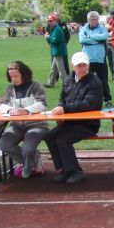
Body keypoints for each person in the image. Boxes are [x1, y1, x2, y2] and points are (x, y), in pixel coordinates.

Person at [43, 52, 103, 184]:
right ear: (72, 66)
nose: (82, 68)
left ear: (88, 65)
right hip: (69, 122)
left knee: (63, 139)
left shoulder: (95, 82)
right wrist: (60, 110)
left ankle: (76, 171)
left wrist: (65, 109)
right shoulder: (68, 79)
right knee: (49, 136)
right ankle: (65, 169)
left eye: (84, 65)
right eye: (79, 65)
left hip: (88, 124)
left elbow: (89, 104)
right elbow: (62, 98)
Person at [0, 61, 49, 179]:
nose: (13, 79)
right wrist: (10, 110)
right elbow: (1, 105)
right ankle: (31, 162)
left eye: (16, 76)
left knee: (28, 149)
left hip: (37, 125)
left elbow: (42, 104)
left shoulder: (36, 86)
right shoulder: (10, 89)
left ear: (24, 74)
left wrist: (26, 110)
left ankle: (29, 161)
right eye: (11, 76)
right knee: (3, 144)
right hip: (16, 125)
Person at [79, 11, 112, 107]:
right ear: (88, 20)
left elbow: (104, 37)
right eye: (92, 20)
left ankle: (107, 100)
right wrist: (97, 40)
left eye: (95, 19)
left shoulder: (102, 28)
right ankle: (86, 99)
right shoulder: (83, 29)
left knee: (103, 81)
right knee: (86, 81)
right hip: (87, 60)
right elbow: (82, 40)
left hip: (100, 59)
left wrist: (90, 37)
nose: (94, 21)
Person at [44, 14, 67, 88]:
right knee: (53, 69)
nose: (49, 22)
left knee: (61, 70)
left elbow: (55, 40)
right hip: (57, 51)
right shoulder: (55, 28)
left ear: (55, 21)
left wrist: (48, 37)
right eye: (48, 21)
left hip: (58, 51)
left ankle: (67, 84)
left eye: (51, 21)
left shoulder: (56, 29)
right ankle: (51, 83)